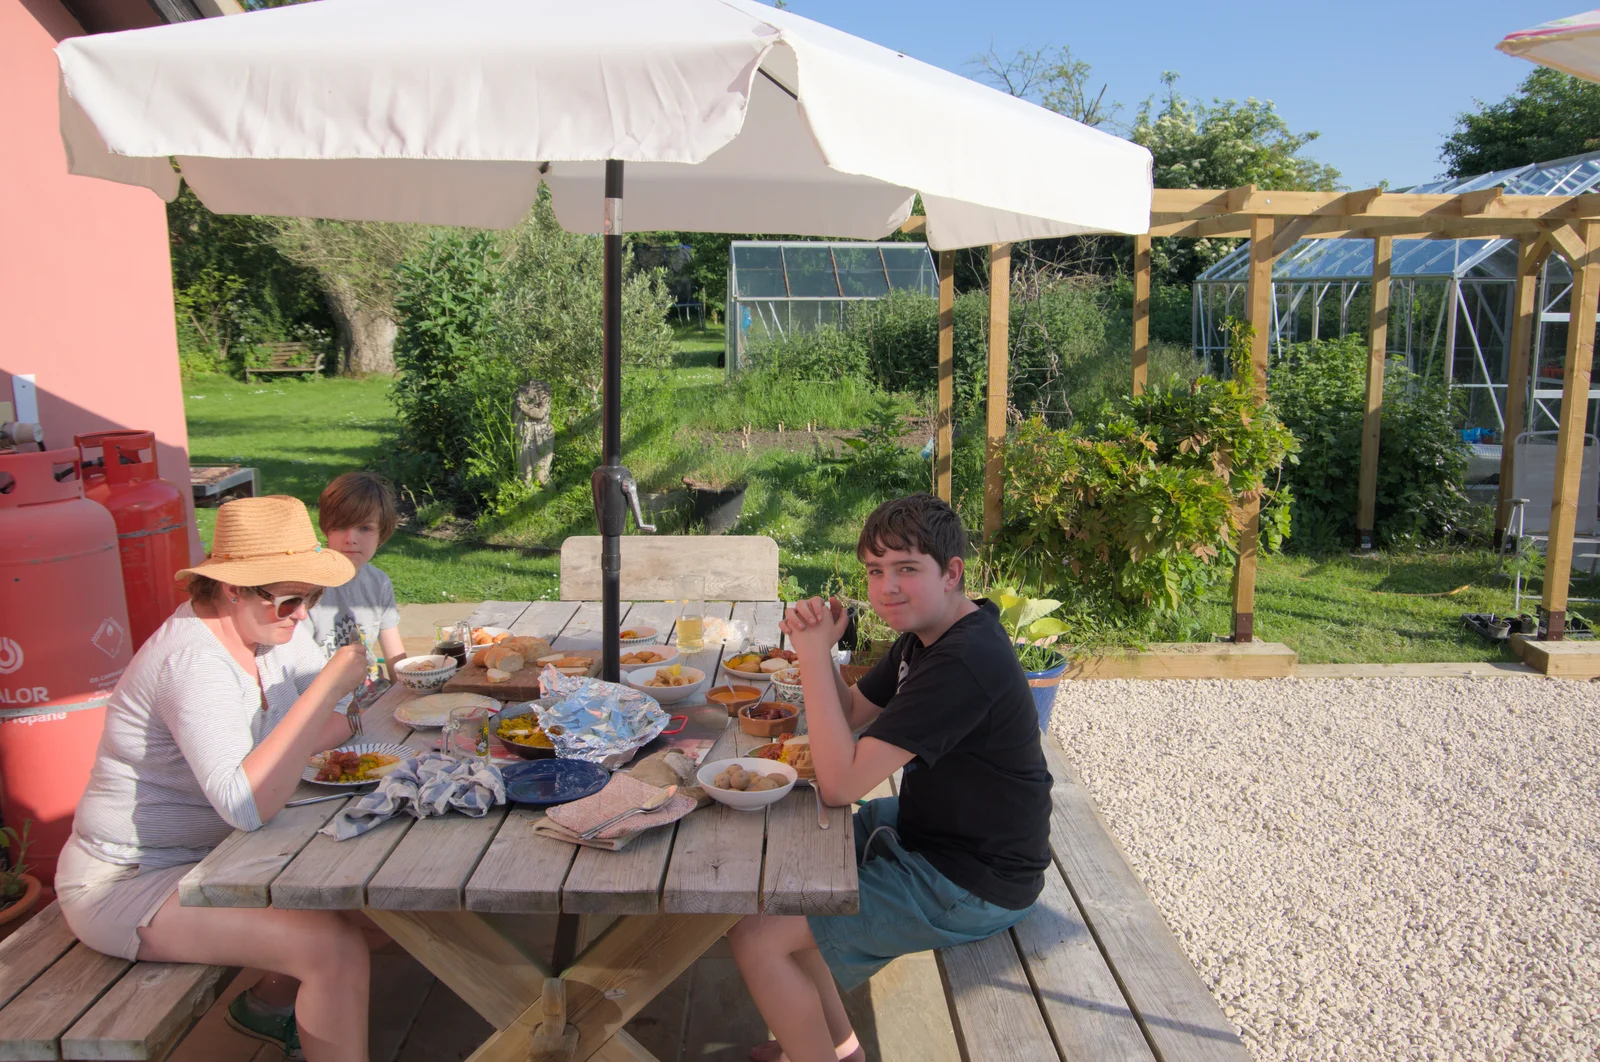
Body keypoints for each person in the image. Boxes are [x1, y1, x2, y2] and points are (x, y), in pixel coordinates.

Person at [729, 493, 1053, 1062]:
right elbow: (852, 713)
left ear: (952, 573)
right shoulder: (928, 633)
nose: (887, 587)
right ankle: (838, 1048)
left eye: (907, 569)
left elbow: (841, 785)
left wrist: (807, 655)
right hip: (931, 833)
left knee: (757, 939)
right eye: (876, 571)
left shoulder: (964, 661)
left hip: (972, 880)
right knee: (787, 870)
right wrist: (825, 654)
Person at [56, 495, 375, 1062]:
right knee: (335, 949)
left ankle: (273, 1006)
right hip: (130, 880)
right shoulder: (194, 662)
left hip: (215, 856)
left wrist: (332, 708)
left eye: (312, 597)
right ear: (232, 588)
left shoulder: (270, 625)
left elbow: (335, 717)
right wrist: (326, 692)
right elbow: (247, 804)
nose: (303, 615)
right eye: (290, 599)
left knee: (357, 885)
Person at [307, 471, 406, 675]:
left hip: (373, 696)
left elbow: (396, 661)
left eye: (364, 528)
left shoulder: (379, 583)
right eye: (341, 526)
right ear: (326, 528)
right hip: (325, 702)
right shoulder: (306, 587)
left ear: (382, 533)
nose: (351, 538)